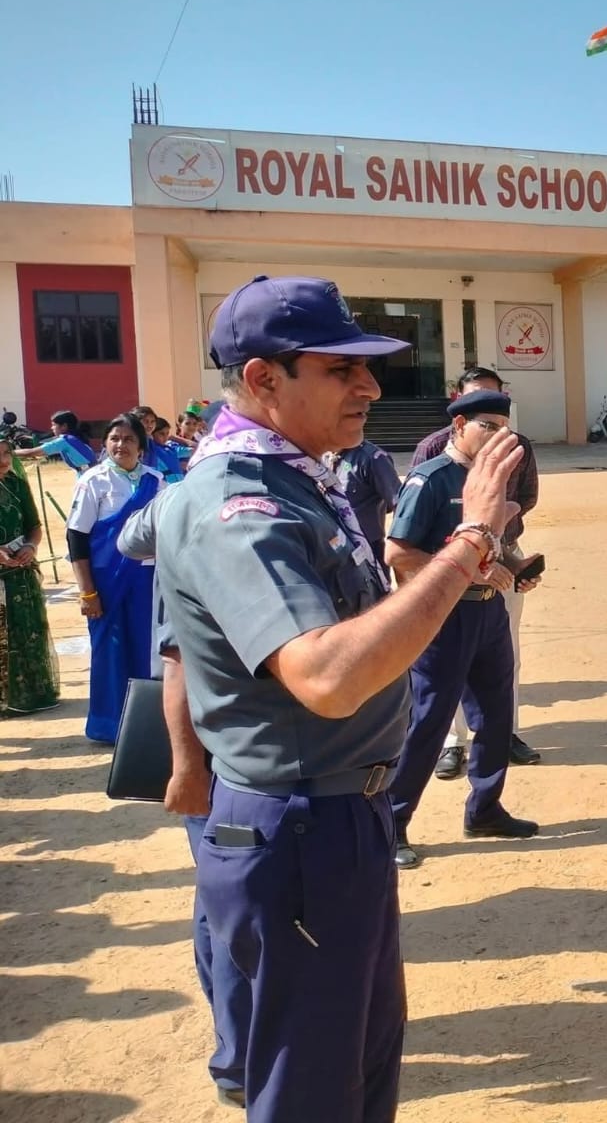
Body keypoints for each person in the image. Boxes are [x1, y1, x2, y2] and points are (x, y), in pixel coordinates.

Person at [154, 272, 526, 1121]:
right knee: (312, 1091)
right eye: (340, 369)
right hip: (297, 830)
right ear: (263, 379)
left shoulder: (293, 479)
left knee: (358, 1071)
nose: (370, 387)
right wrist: (471, 540)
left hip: (336, 820)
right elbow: (327, 676)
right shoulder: (238, 503)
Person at [117, 494, 249, 1108]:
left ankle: (243, 1039)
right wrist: (186, 768)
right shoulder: (201, 532)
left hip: (250, 754)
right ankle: (238, 1056)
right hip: (217, 758)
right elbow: (179, 668)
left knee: (226, 902)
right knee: (230, 911)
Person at [385, 389, 541, 868]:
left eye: (503, 427)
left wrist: (515, 567)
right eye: (486, 426)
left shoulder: (493, 484)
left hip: (489, 610)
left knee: (497, 715)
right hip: (442, 617)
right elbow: (399, 554)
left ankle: (485, 809)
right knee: (429, 722)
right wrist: (467, 571)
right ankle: (391, 824)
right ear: (458, 428)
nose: (497, 436)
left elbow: (493, 546)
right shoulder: (429, 480)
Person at [421, 366, 542, 774]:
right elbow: (408, 535)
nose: (493, 422)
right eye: (480, 412)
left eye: (496, 404)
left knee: (506, 651)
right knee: (450, 659)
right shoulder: (434, 450)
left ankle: (504, 733)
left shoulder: (518, 447)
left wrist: (503, 542)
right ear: (458, 408)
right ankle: (452, 743)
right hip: (448, 562)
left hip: (503, 555)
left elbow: (526, 496)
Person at [65, 411, 160, 743]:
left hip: (146, 581)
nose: (121, 444)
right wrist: (87, 591)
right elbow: (77, 536)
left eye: (129, 438)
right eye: (114, 438)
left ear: (142, 446)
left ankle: (144, 725)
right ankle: (109, 725)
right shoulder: (93, 481)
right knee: (109, 651)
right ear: (105, 444)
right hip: (105, 582)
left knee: (146, 649)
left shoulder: (156, 480)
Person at [0, 436, 60, 714]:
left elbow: (34, 526)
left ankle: (32, 695)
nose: (3, 460)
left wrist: (30, 546)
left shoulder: (16, 485)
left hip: (21, 571)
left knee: (27, 631)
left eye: (6, 453)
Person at [330, 439, 401, 571]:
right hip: (334, 547)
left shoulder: (372, 458)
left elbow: (399, 504)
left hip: (368, 548)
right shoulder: (321, 456)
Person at [15, 410, 96, 473]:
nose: (51, 428)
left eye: (54, 425)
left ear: (64, 426)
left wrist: (7, 452)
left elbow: (30, 453)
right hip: (89, 473)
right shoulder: (75, 437)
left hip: (88, 476)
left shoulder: (64, 441)